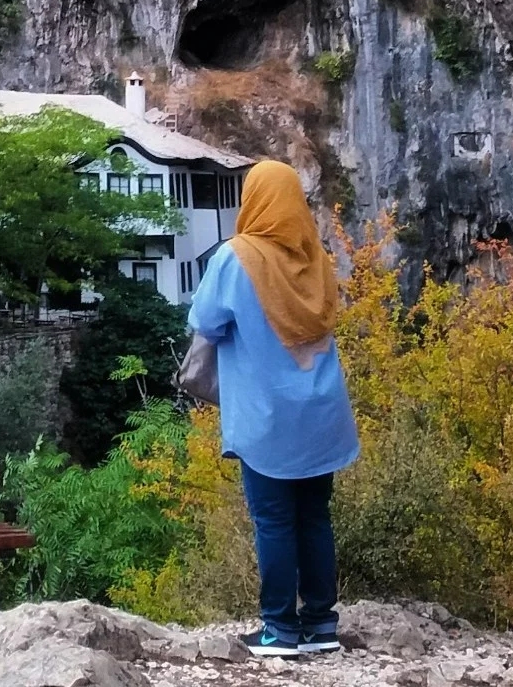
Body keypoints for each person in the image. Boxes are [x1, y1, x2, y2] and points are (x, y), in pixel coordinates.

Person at [186, 160, 359, 658]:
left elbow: (205, 319)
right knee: (315, 517)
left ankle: (280, 630)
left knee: (275, 521)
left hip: (268, 418)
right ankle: (321, 625)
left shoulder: (237, 258)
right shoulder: (317, 261)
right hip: (322, 414)